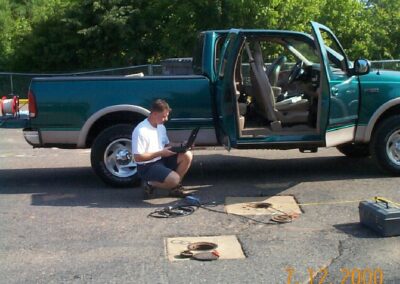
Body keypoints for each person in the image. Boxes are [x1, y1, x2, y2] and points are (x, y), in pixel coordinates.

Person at [132, 99, 193, 198]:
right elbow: (138, 158)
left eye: (167, 115)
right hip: (147, 166)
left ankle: (175, 189)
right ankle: (149, 183)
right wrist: (160, 153)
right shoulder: (141, 131)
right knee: (175, 179)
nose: (166, 119)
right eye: (164, 116)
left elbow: (166, 145)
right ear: (155, 114)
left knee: (187, 155)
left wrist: (182, 145)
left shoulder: (161, 127)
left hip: (161, 159)